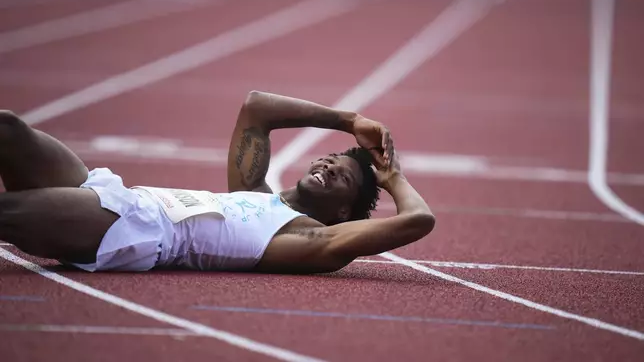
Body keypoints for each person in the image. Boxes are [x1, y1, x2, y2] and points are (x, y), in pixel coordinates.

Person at [0, 91, 435, 274]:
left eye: (342, 176)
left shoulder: (308, 237)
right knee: (8, 128)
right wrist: (349, 120)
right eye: (331, 157)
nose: (329, 166)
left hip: (128, 231)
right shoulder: (252, 193)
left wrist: (391, 175)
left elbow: (418, 220)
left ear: (343, 212)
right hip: (116, 194)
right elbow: (257, 106)